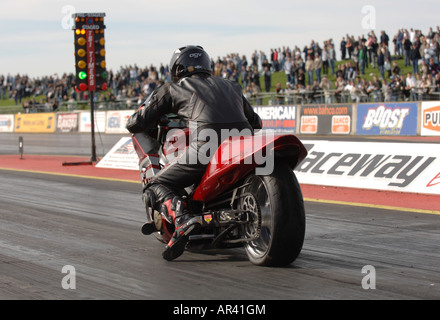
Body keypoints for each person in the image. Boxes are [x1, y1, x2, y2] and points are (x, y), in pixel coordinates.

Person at [125, 45, 262, 261]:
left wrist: (143, 117)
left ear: (176, 68)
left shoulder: (174, 88)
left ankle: (182, 218)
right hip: (242, 144)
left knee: (155, 186)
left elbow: (136, 122)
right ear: (206, 65)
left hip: (206, 144)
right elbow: (256, 122)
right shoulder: (231, 85)